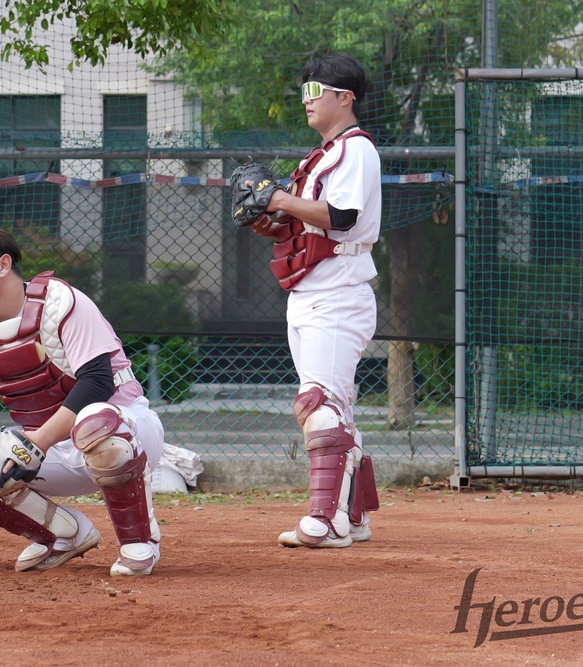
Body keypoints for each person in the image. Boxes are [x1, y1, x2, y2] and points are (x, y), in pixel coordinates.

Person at [0, 225, 165, 576]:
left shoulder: (60, 301)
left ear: (3, 264)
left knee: (95, 424)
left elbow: (98, 382)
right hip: (49, 450)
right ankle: (62, 533)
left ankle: (139, 541)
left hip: (126, 429)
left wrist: (32, 444)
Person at [245, 54, 381, 548]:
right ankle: (354, 517)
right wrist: (274, 220)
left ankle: (325, 523)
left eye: (315, 90)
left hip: (338, 289)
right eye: (304, 90)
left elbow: (342, 217)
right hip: (311, 290)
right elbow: (307, 221)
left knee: (318, 404)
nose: (307, 99)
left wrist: (279, 199)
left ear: (345, 98)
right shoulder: (319, 156)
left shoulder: (356, 149)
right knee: (334, 407)